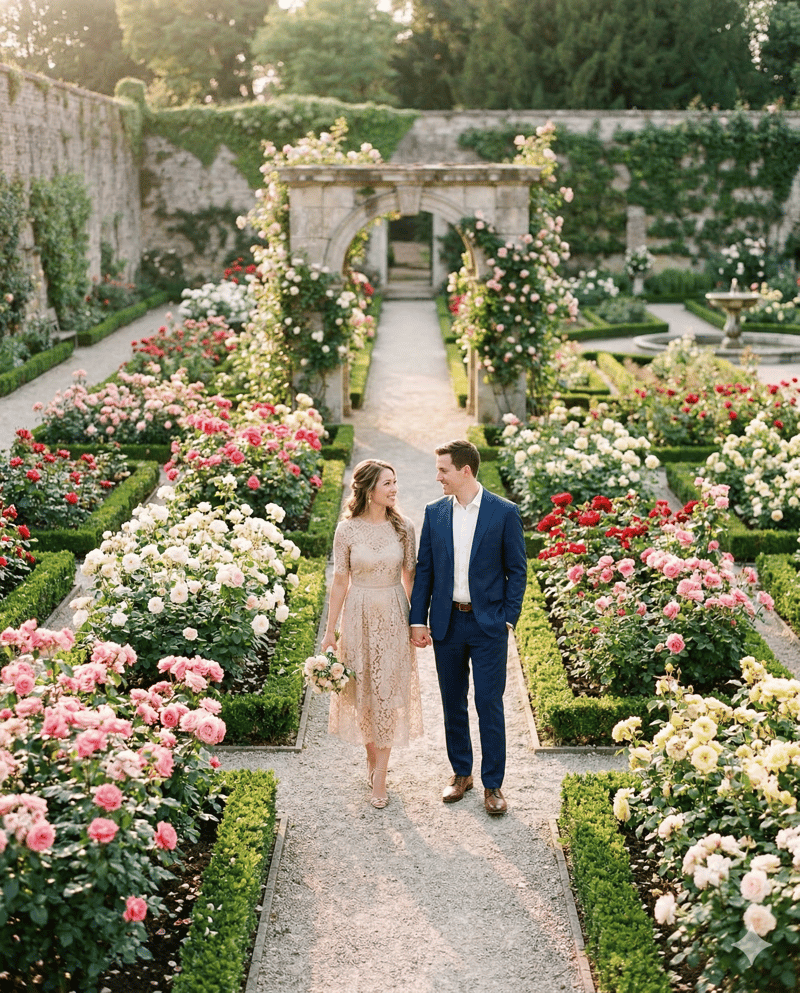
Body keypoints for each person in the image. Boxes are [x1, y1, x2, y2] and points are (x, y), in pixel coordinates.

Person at [409, 439, 527, 815]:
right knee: (452, 701)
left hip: (488, 623)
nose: (437, 476)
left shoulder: (503, 512)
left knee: (488, 703)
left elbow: (517, 570)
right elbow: (424, 569)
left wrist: (508, 616)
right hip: (446, 623)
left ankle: (493, 784)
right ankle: (462, 773)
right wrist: (418, 619)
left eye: (443, 469)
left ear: (465, 471)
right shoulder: (435, 512)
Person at [322, 459, 423, 808]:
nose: (394, 489)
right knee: (362, 692)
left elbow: (411, 577)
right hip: (358, 613)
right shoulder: (346, 531)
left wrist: (418, 622)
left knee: (388, 693)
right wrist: (330, 630)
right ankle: (372, 756)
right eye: (387, 484)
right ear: (367, 489)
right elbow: (339, 581)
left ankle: (380, 778)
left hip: (394, 611)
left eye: (395, 482)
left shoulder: (404, 528)